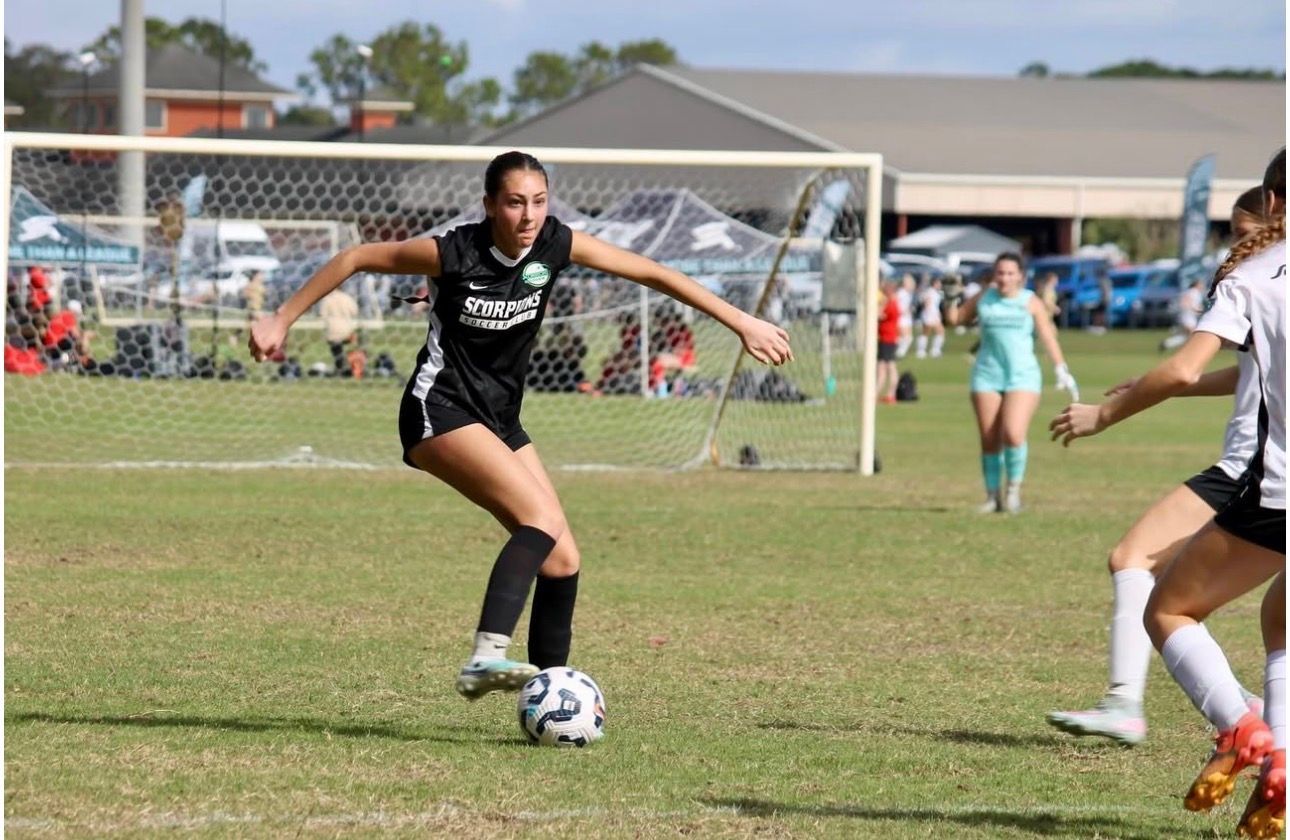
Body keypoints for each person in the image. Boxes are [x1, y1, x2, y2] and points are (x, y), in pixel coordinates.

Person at [249, 151, 791, 701]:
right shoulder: (452, 252)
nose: (529, 215)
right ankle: (486, 656)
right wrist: (280, 318)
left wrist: (741, 321)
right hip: (440, 408)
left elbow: (652, 271)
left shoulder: (555, 244)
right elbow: (357, 257)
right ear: (489, 205)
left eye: (538, 201)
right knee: (540, 519)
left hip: (500, 418)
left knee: (563, 557)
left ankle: (551, 694)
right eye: (514, 202)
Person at [1049, 148, 1284, 837]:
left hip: (1276, 488)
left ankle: (1243, 730)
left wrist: (1104, 414)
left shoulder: (1255, 276)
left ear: (1273, 202)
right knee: (1281, 624)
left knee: (1170, 610)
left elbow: (1182, 369)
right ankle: (1280, 771)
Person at [944, 253, 1078, 513]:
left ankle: (1013, 491)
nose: (1004, 278)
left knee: (1013, 434)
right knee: (989, 438)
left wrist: (1060, 368)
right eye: (1000, 273)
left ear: (1020, 276)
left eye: (1010, 273)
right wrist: (950, 298)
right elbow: (955, 319)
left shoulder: (1030, 301)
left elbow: (1047, 336)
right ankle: (992, 496)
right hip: (987, 374)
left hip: (1022, 375)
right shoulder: (984, 296)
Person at [318, 287, 358, 376]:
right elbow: (355, 311)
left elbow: (322, 314)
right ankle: (348, 366)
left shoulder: (327, 299)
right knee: (347, 348)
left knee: (336, 350)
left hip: (333, 330)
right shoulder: (347, 298)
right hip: (347, 329)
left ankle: (340, 367)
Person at [875, 279, 901, 404]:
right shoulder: (892, 303)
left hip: (887, 339)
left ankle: (877, 393)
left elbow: (879, 315)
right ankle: (890, 394)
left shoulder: (891, 304)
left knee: (883, 367)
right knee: (890, 366)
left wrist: (879, 305)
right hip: (888, 338)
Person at [914, 277, 945, 359]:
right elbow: (927, 303)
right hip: (929, 314)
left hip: (934, 314)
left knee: (940, 331)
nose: (940, 285)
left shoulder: (937, 292)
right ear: (934, 283)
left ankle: (935, 350)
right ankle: (921, 351)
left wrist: (938, 314)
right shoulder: (930, 292)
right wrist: (931, 314)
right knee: (926, 332)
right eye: (938, 283)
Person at [895, 273, 915, 358]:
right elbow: (895, 301)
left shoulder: (908, 293)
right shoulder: (901, 292)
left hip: (906, 317)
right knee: (905, 337)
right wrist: (901, 311)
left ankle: (898, 353)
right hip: (901, 317)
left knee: (907, 338)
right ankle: (898, 353)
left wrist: (909, 310)